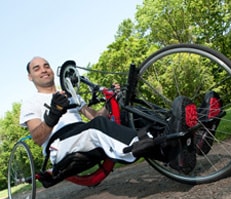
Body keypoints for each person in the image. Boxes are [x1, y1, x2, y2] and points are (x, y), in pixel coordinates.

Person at [19, 57, 173, 188]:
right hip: (59, 145)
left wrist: (110, 102)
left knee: (129, 115)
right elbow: (38, 138)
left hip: (83, 133)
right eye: (37, 68)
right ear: (30, 77)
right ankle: (153, 147)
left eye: (46, 66)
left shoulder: (71, 95)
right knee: (96, 128)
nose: (44, 70)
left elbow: (96, 117)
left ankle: (174, 130)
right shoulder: (30, 103)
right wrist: (53, 114)